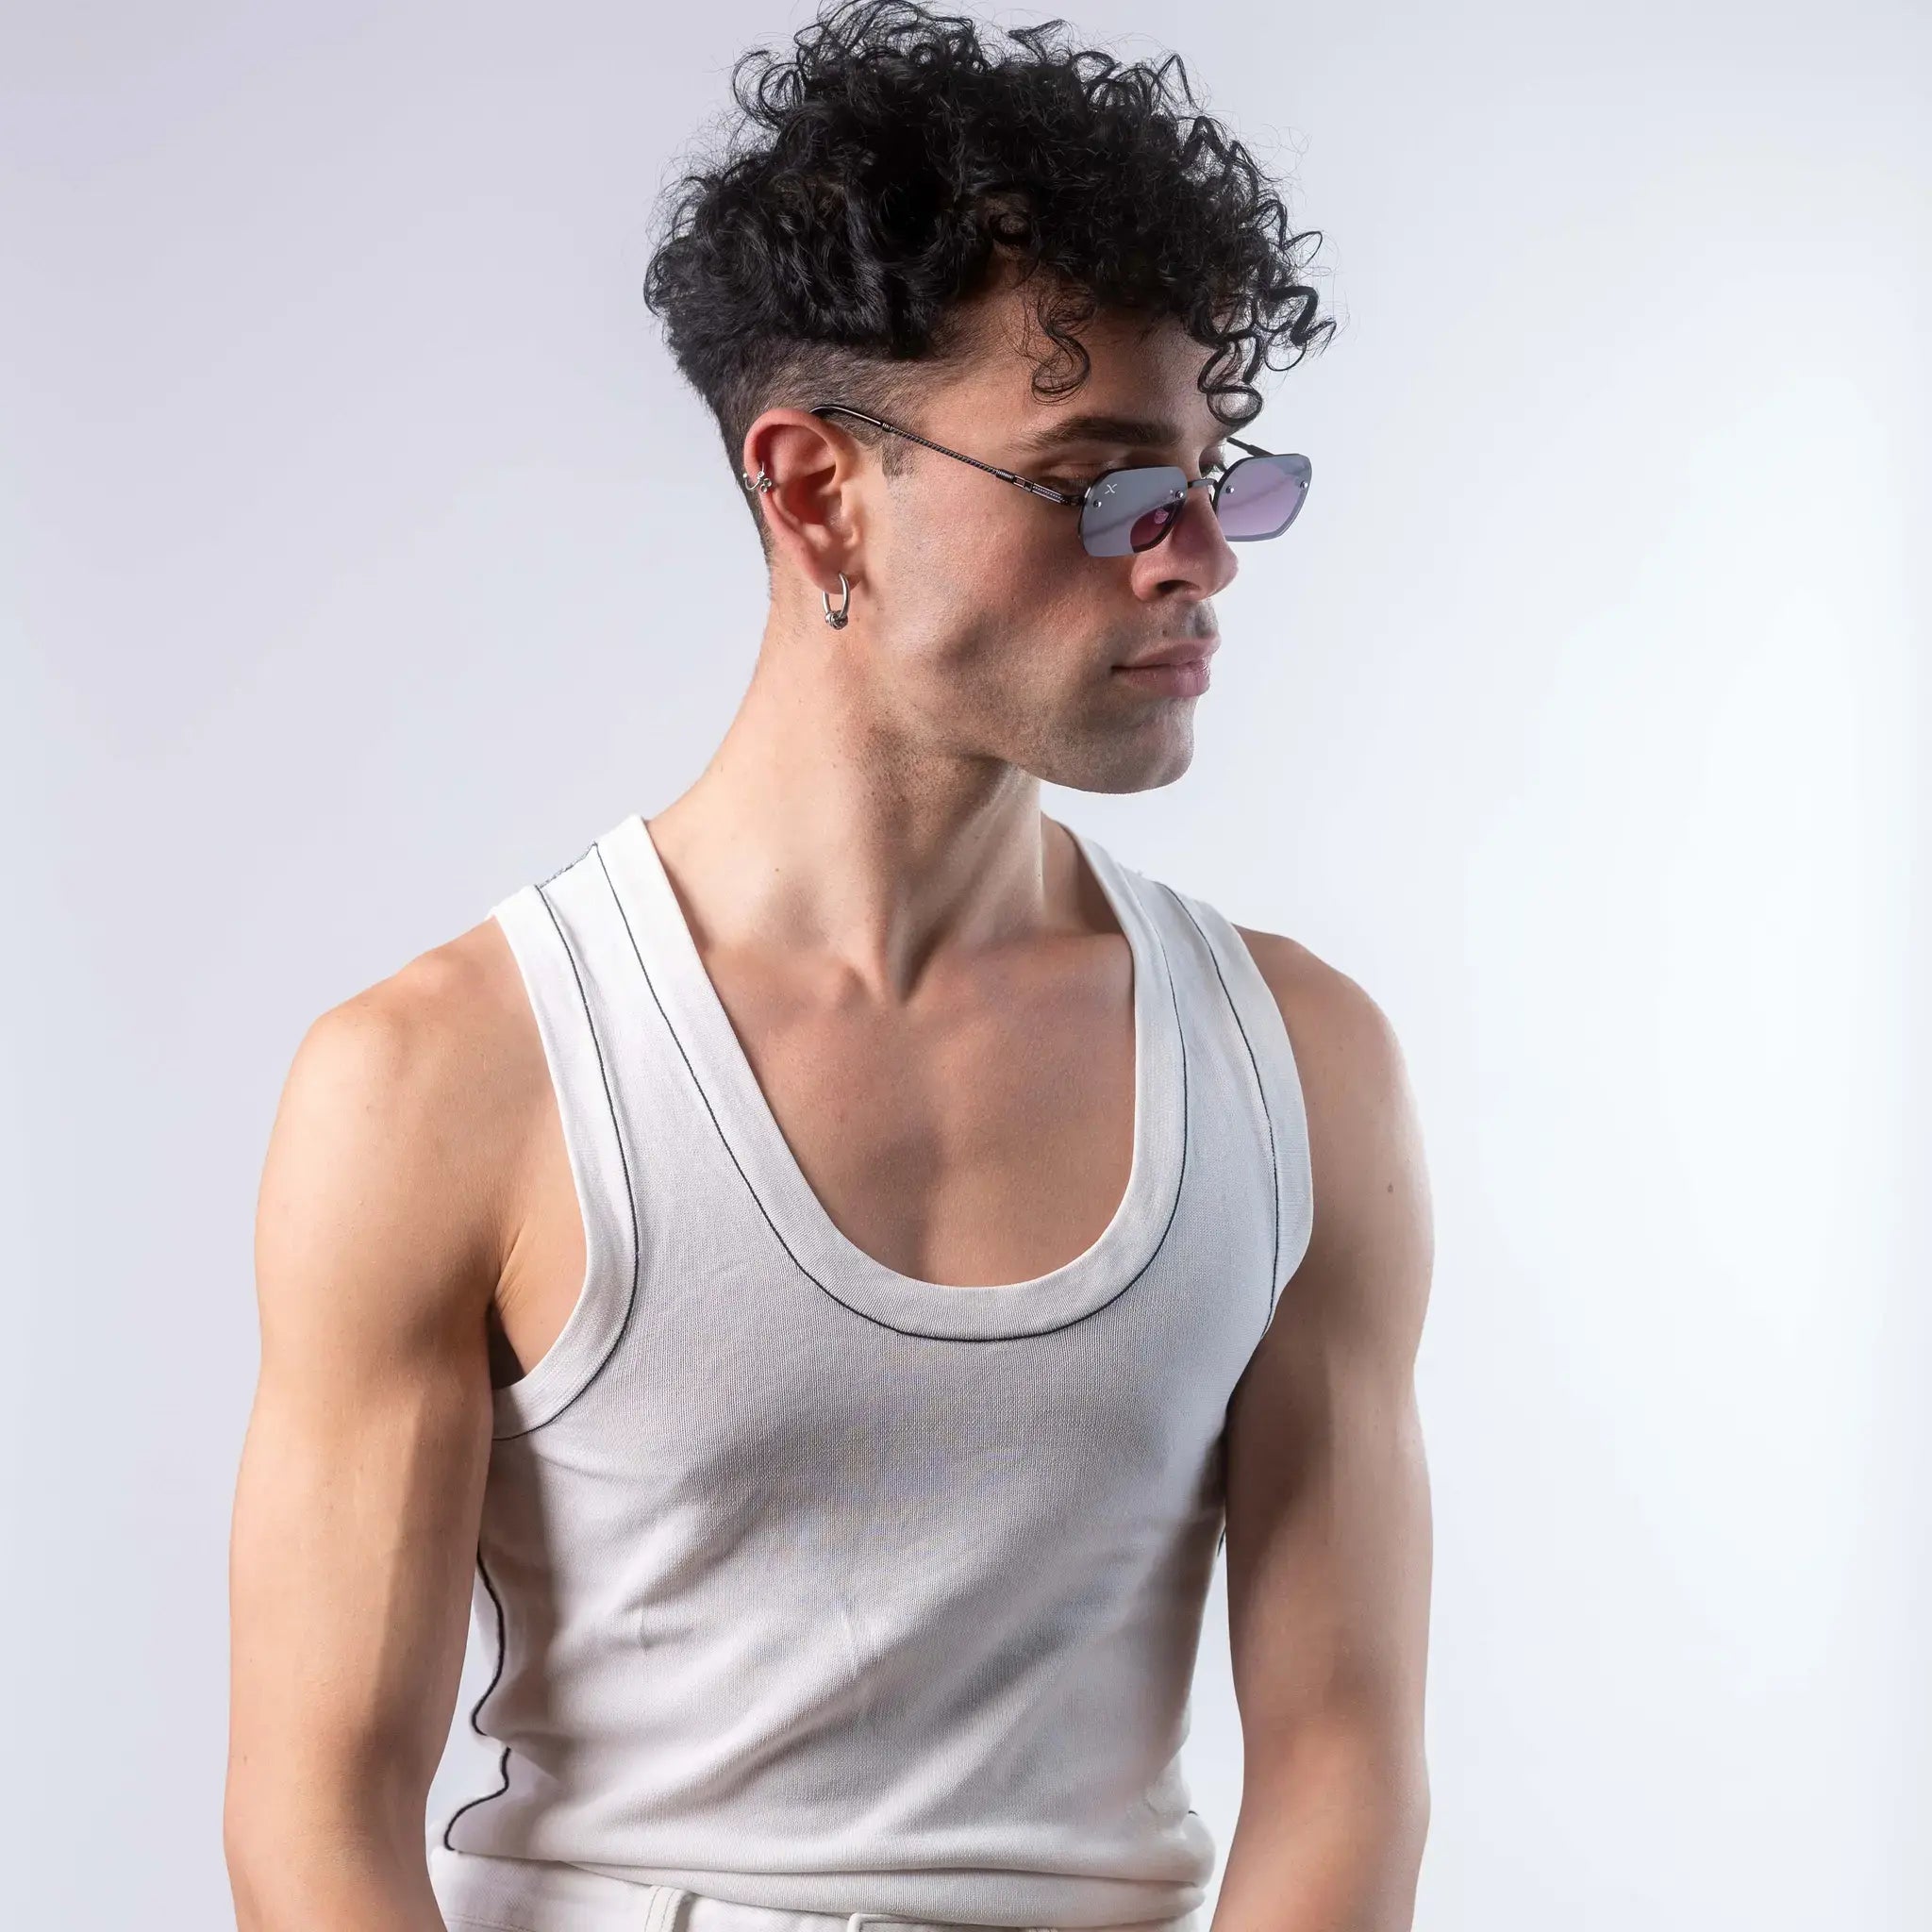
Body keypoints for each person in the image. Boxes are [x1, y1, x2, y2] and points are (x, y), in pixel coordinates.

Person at [223, 4, 1435, 1929]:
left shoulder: (1301, 1067)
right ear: (812, 493)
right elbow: (314, 1822)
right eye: (1109, 484)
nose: (1200, 553)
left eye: (1222, 473)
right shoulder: (446, 1074)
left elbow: (1344, 1758)